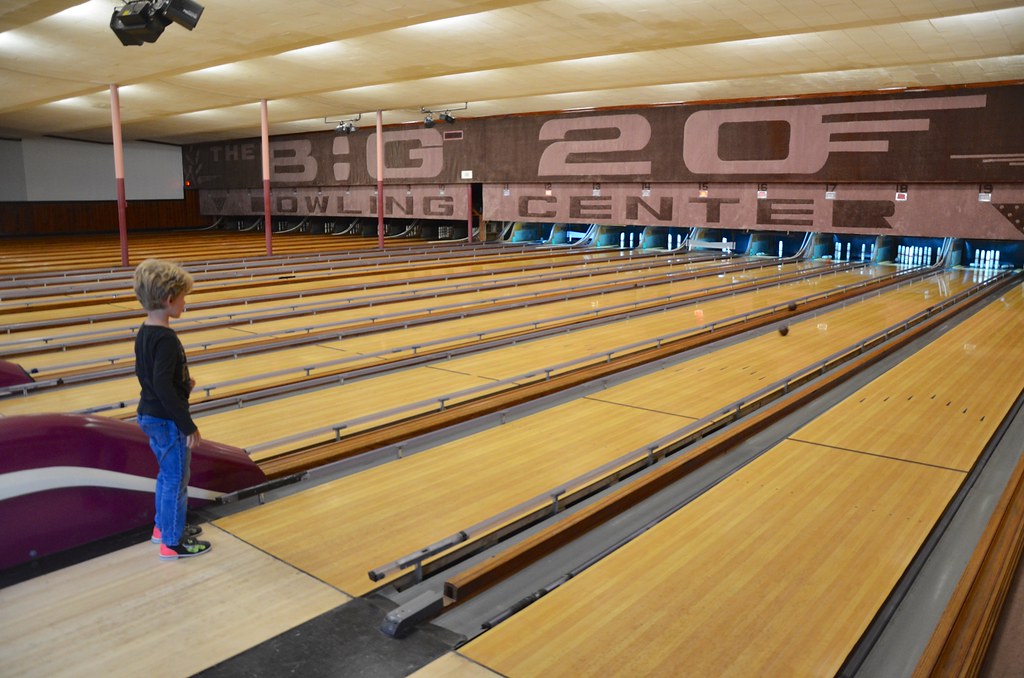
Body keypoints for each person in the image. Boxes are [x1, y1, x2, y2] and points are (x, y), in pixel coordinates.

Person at [133, 258, 211, 560]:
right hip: (167, 420)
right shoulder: (166, 339)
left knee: (167, 476)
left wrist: (182, 385)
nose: (185, 303)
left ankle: (162, 528)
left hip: (149, 413)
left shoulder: (145, 332)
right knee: (177, 479)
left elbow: (149, 376)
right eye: (183, 297)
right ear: (169, 300)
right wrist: (187, 424)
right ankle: (173, 542)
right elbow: (162, 385)